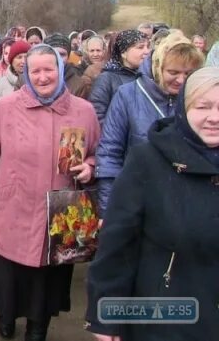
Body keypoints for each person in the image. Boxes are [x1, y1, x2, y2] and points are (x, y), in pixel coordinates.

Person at [0, 44, 100, 341]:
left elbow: (97, 152)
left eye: (49, 70)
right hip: (14, 204)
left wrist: (90, 166)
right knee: (11, 270)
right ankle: (6, 314)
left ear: (61, 71)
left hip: (61, 211)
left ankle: (38, 325)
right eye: (35, 70)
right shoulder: (7, 107)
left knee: (48, 276)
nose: (42, 77)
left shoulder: (83, 111)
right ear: (25, 72)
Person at [85, 67, 219, 341]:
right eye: (203, 107)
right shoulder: (148, 161)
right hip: (168, 317)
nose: (214, 118)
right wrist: (107, 316)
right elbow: (118, 244)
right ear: (183, 108)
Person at [95, 36, 203, 215]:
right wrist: (108, 210)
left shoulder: (199, 99)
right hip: (139, 204)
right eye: (173, 72)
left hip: (188, 207)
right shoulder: (128, 96)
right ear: (158, 67)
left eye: (188, 73)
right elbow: (109, 153)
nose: (181, 80)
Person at [89, 29, 151, 123]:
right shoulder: (106, 79)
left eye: (148, 46)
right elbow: (97, 115)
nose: (147, 51)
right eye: (140, 47)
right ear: (123, 53)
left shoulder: (149, 77)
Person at [0, 40, 31, 121]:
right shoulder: (1, 84)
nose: (23, 61)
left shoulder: (37, 83)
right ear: (12, 60)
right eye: (19, 57)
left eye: (26, 57)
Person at [45, 34, 88, 98]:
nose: (58, 58)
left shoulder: (78, 84)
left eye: (62, 54)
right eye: (53, 53)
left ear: (68, 57)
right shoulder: (34, 78)